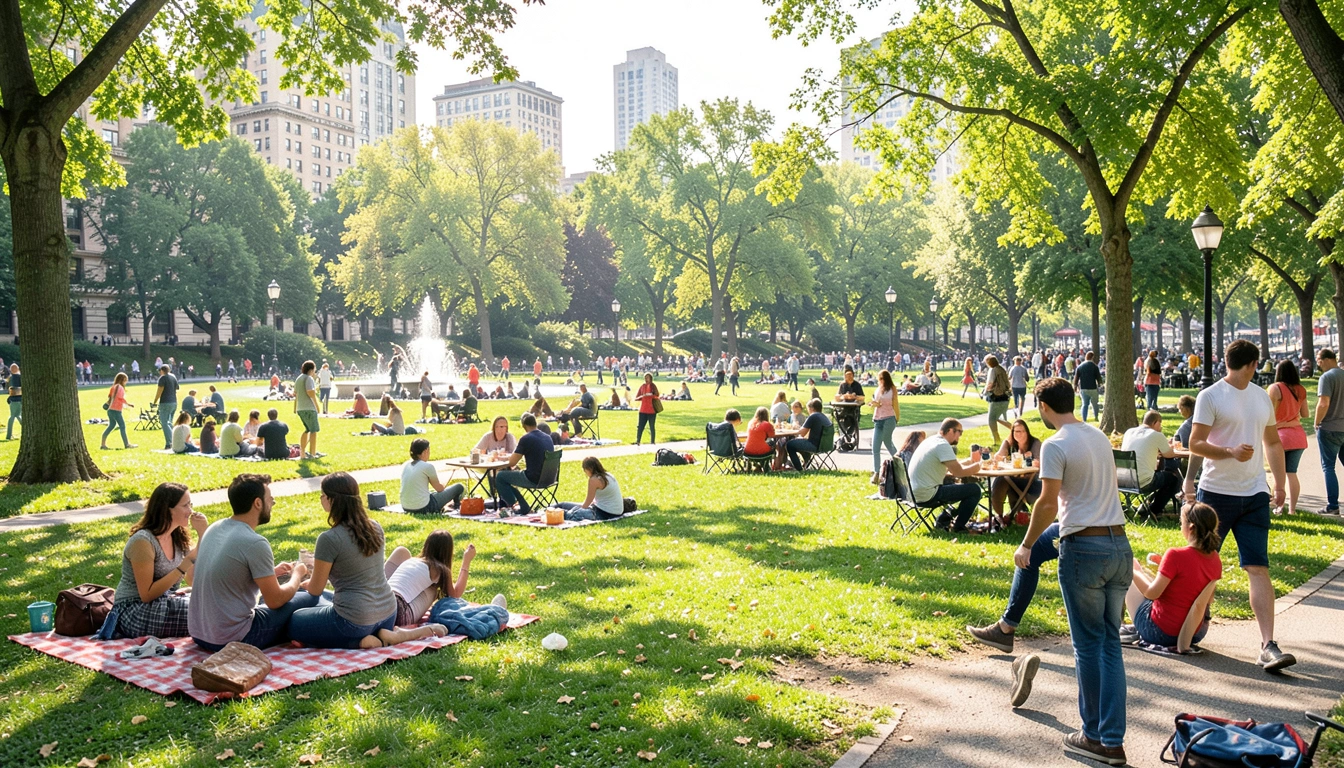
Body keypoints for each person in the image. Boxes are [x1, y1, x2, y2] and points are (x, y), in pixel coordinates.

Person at [972, 377, 1131, 764]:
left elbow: (1045, 503)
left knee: (1089, 646)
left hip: (1084, 549)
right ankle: (1111, 739)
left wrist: (1026, 545)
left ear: (1043, 406)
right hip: (1119, 545)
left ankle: (1094, 737)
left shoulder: (1057, 444)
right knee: (1111, 645)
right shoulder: (1096, 436)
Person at [1190, 339, 1294, 671]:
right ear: (1251, 364)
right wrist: (1230, 452)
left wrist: (1278, 483)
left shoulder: (1262, 398)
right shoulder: (1211, 396)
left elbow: (1274, 442)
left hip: (1254, 495)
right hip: (1216, 493)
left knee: (1257, 567)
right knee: (1204, 565)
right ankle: (1188, 628)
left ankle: (1268, 645)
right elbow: (1195, 443)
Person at [288, 473, 437, 649]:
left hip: (354, 621)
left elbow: (315, 589)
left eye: (323, 495)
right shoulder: (375, 527)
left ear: (332, 500)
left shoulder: (329, 539)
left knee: (294, 622)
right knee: (327, 598)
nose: (321, 499)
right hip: (388, 614)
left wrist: (298, 575)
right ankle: (383, 637)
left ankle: (357, 642)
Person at [189, 474, 317, 651]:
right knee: (310, 596)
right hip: (233, 639)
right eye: (270, 499)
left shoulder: (215, 528)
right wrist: (298, 574)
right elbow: (275, 601)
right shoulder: (254, 542)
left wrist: (272, 572)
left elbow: (229, 573)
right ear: (258, 503)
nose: (273, 504)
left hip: (200, 634)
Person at [106, 482, 208, 639]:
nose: (191, 511)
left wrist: (202, 534)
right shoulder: (143, 542)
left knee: (210, 604)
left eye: (191, 504)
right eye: (186, 505)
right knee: (206, 614)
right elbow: (146, 595)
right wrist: (185, 564)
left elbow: (192, 579)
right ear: (168, 509)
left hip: (165, 602)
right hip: (133, 610)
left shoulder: (178, 537)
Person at [1124, 502, 1222, 651]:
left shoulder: (1176, 555)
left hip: (1161, 632)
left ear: (1190, 528)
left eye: (1181, 522)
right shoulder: (1215, 559)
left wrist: (1132, 572)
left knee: (1131, 567)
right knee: (1141, 573)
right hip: (1195, 632)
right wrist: (1164, 567)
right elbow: (1207, 598)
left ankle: (1124, 625)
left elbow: (1152, 593)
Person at [383, 530, 506, 633]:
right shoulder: (439, 569)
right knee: (434, 590)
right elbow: (455, 594)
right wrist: (466, 561)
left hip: (382, 603)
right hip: (401, 615)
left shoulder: (412, 561)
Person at [908, 418, 984, 533]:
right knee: (974, 490)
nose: (960, 436)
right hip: (927, 494)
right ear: (950, 430)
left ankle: (944, 518)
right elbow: (958, 472)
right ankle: (958, 527)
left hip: (913, 493)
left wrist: (969, 461)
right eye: (960, 432)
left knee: (960, 486)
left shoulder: (932, 440)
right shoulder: (942, 445)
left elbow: (951, 466)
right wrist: (978, 466)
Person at [1121, 411, 1181, 517]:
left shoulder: (1129, 432)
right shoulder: (1156, 435)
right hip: (1143, 482)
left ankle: (1147, 506)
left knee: (1160, 475)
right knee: (1173, 479)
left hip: (1124, 481)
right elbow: (1169, 454)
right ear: (1156, 422)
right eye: (1160, 423)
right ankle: (1153, 510)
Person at [1267, 360, 1308, 515]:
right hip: (1298, 436)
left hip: (1279, 436)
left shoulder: (1275, 388)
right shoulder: (1301, 390)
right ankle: (1292, 509)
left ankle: (1279, 507)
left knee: (1278, 474)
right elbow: (1305, 414)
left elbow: (1269, 413)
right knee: (1292, 473)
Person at [496, 414, 554, 516]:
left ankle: (513, 505)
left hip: (533, 478)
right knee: (509, 477)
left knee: (500, 477)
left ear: (523, 426)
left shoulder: (526, 438)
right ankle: (523, 507)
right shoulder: (547, 437)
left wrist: (501, 458)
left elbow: (512, 462)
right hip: (549, 478)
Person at [990, 420, 1043, 525]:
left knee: (1002, 480)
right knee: (1003, 480)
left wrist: (1029, 460)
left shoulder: (1035, 443)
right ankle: (1001, 517)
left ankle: (1000, 517)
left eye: (1022, 431)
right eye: (1016, 431)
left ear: (1027, 432)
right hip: (1013, 479)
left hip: (1032, 482)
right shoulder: (1009, 443)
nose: (1019, 434)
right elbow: (998, 457)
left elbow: (1039, 463)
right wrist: (1001, 454)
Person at [1314, 348, 1344, 515]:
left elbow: (1323, 403)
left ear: (1326, 359)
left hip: (1330, 428)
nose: (1318, 363)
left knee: (1329, 467)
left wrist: (1316, 422)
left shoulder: (1327, 377)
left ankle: (1333, 505)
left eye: (1319, 360)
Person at [399, 439, 465, 514]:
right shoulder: (427, 466)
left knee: (432, 492)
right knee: (459, 487)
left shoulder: (406, 465)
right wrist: (448, 476)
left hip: (405, 507)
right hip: (424, 508)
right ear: (425, 451)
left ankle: (450, 507)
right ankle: (456, 507)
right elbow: (440, 489)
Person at [786, 398, 832, 472]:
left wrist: (795, 427)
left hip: (815, 446)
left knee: (790, 445)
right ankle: (806, 465)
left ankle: (799, 469)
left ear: (811, 408)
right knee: (800, 443)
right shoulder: (824, 417)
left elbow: (802, 433)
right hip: (826, 446)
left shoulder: (813, 416)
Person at [100, 372, 136, 450]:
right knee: (122, 426)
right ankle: (127, 444)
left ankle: (103, 444)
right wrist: (128, 404)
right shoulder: (120, 387)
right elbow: (120, 398)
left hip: (110, 410)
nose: (126, 382)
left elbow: (111, 397)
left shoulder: (114, 386)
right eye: (125, 380)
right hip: (116, 410)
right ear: (122, 380)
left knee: (111, 426)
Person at [294, 360, 322, 459]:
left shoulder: (298, 379)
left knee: (307, 430)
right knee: (313, 431)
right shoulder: (309, 379)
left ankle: (302, 453)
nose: (314, 372)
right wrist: (317, 407)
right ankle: (313, 454)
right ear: (310, 370)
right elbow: (311, 393)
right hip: (309, 408)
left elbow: (296, 394)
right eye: (314, 370)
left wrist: (295, 408)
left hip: (300, 408)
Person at [982, 355, 1012, 445]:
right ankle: (1016, 429)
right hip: (1005, 396)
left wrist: (984, 392)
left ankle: (997, 439)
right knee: (1000, 418)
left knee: (991, 419)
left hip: (996, 396)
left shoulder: (993, 370)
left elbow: (990, 383)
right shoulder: (1002, 369)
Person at [151, 364, 178, 450]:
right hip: (174, 402)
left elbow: (159, 391)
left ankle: (169, 442)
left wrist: (155, 401)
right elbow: (176, 388)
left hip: (165, 402)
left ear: (162, 371)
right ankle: (176, 440)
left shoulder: (163, 378)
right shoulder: (173, 377)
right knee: (170, 422)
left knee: (165, 423)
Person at [1074, 352, 1102, 423]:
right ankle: (1096, 416)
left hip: (1083, 388)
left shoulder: (1080, 367)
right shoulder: (1095, 367)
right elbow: (1098, 378)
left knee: (1085, 404)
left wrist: (1075, 386)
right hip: (1093, 388)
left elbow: (1076, 378)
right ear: (1092, 357)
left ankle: (1084, 419)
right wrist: (1100, 385)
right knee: (1095, 404)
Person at [635, 374, 659, 445]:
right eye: (645, 378)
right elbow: (637, 396)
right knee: (640, 426)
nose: (646, 379)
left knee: (652, 426)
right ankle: (638, 440)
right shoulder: (643, 386)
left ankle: (652, 441)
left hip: (651, 410)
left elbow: (657, 395)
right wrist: (643, 396)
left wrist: (650, 395)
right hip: (643, 409)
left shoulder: (653, 386)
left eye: (647, 378)